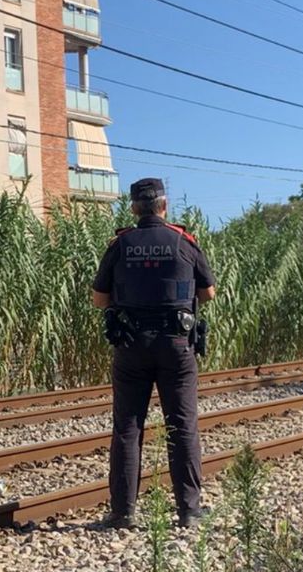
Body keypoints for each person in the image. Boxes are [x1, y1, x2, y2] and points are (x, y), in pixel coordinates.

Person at [92, 178, 216, 529]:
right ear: (164, 205)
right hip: (176, 347)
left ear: (133, 208)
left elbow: (99, 299)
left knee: (128, 429)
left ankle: (122, 513)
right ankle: (189, 511)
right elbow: (209, 293)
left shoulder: (120, 244)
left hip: (131, 347)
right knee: (182, 425)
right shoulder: (183, 241)